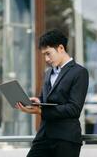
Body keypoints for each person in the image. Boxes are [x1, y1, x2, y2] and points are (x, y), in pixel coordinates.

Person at [16, 29, 89, 157]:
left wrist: (41, 111)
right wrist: (38, 101)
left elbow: (74, 109)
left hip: (65, 139)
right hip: (43, 136)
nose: (46, 59)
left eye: (48, 54)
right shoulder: (48, 72)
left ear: (61, 48)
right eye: (44, 55)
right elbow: (45, 99)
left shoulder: (79, 72)